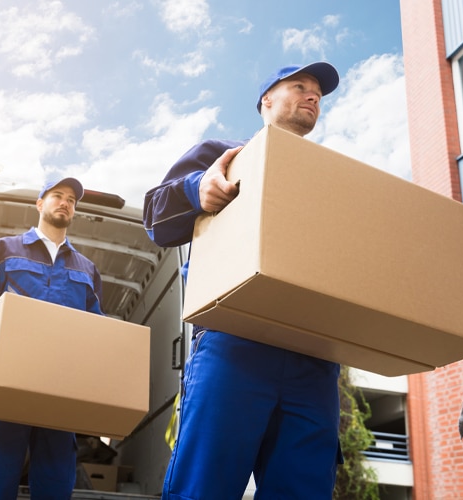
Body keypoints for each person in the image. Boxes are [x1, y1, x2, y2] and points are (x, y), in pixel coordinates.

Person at [143, 62, 343, 500]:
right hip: (234, 343)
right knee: (204, 486)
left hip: (315, 356)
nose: (313, 96)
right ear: (265, 100)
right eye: (300, 86)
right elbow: (156, 220)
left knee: (305, 488)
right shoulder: (224, 155)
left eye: (318, 93)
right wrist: (199, 190)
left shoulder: (333, 179)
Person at [0, 177, 103, 500]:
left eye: (72, 200)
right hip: (7, 386)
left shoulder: (87, 270)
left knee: (55, 485)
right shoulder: (2, 252)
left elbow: (97, 332)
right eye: (57, 196)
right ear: (39, 203)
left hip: (61, 393)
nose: (65, 203)